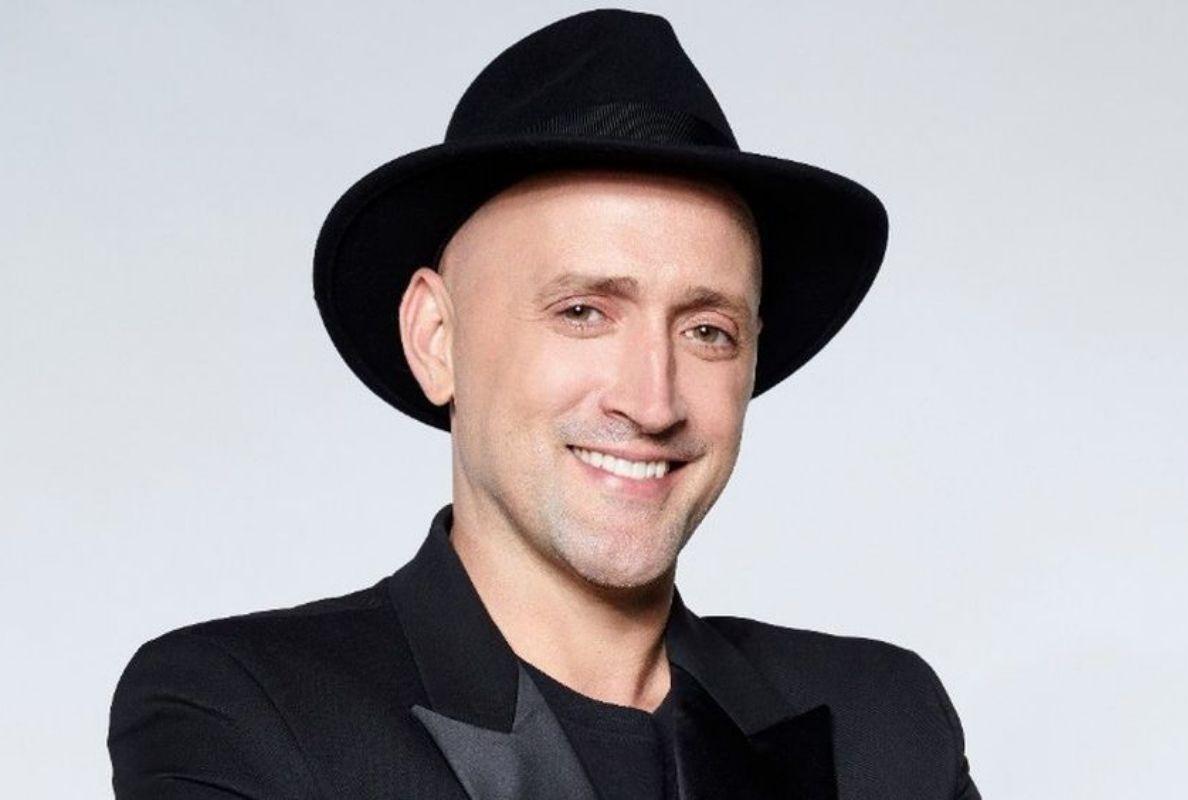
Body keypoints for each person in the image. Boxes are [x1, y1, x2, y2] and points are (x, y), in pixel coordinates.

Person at [108, 9, 980, 800]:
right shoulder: (244, 711)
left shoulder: (886, 727)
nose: (653, 400)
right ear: (436, 338)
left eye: (707, 330)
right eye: (583, 312)